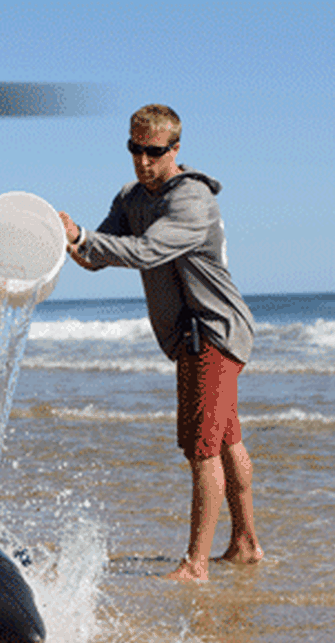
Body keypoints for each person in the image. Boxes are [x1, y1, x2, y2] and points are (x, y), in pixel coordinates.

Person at [59, 104, 263, 581]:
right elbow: (96, 255)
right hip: (190, 338)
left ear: (175, 149)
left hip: (214, 332)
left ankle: (196, 564)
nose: (143, 160)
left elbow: (148, 250)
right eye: (135, 149)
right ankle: (245, 543)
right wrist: (65, 242)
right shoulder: (132, 197)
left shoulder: (192, 200)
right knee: (226, 437)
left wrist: (85, 238)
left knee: (202, 449)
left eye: (153, 151)